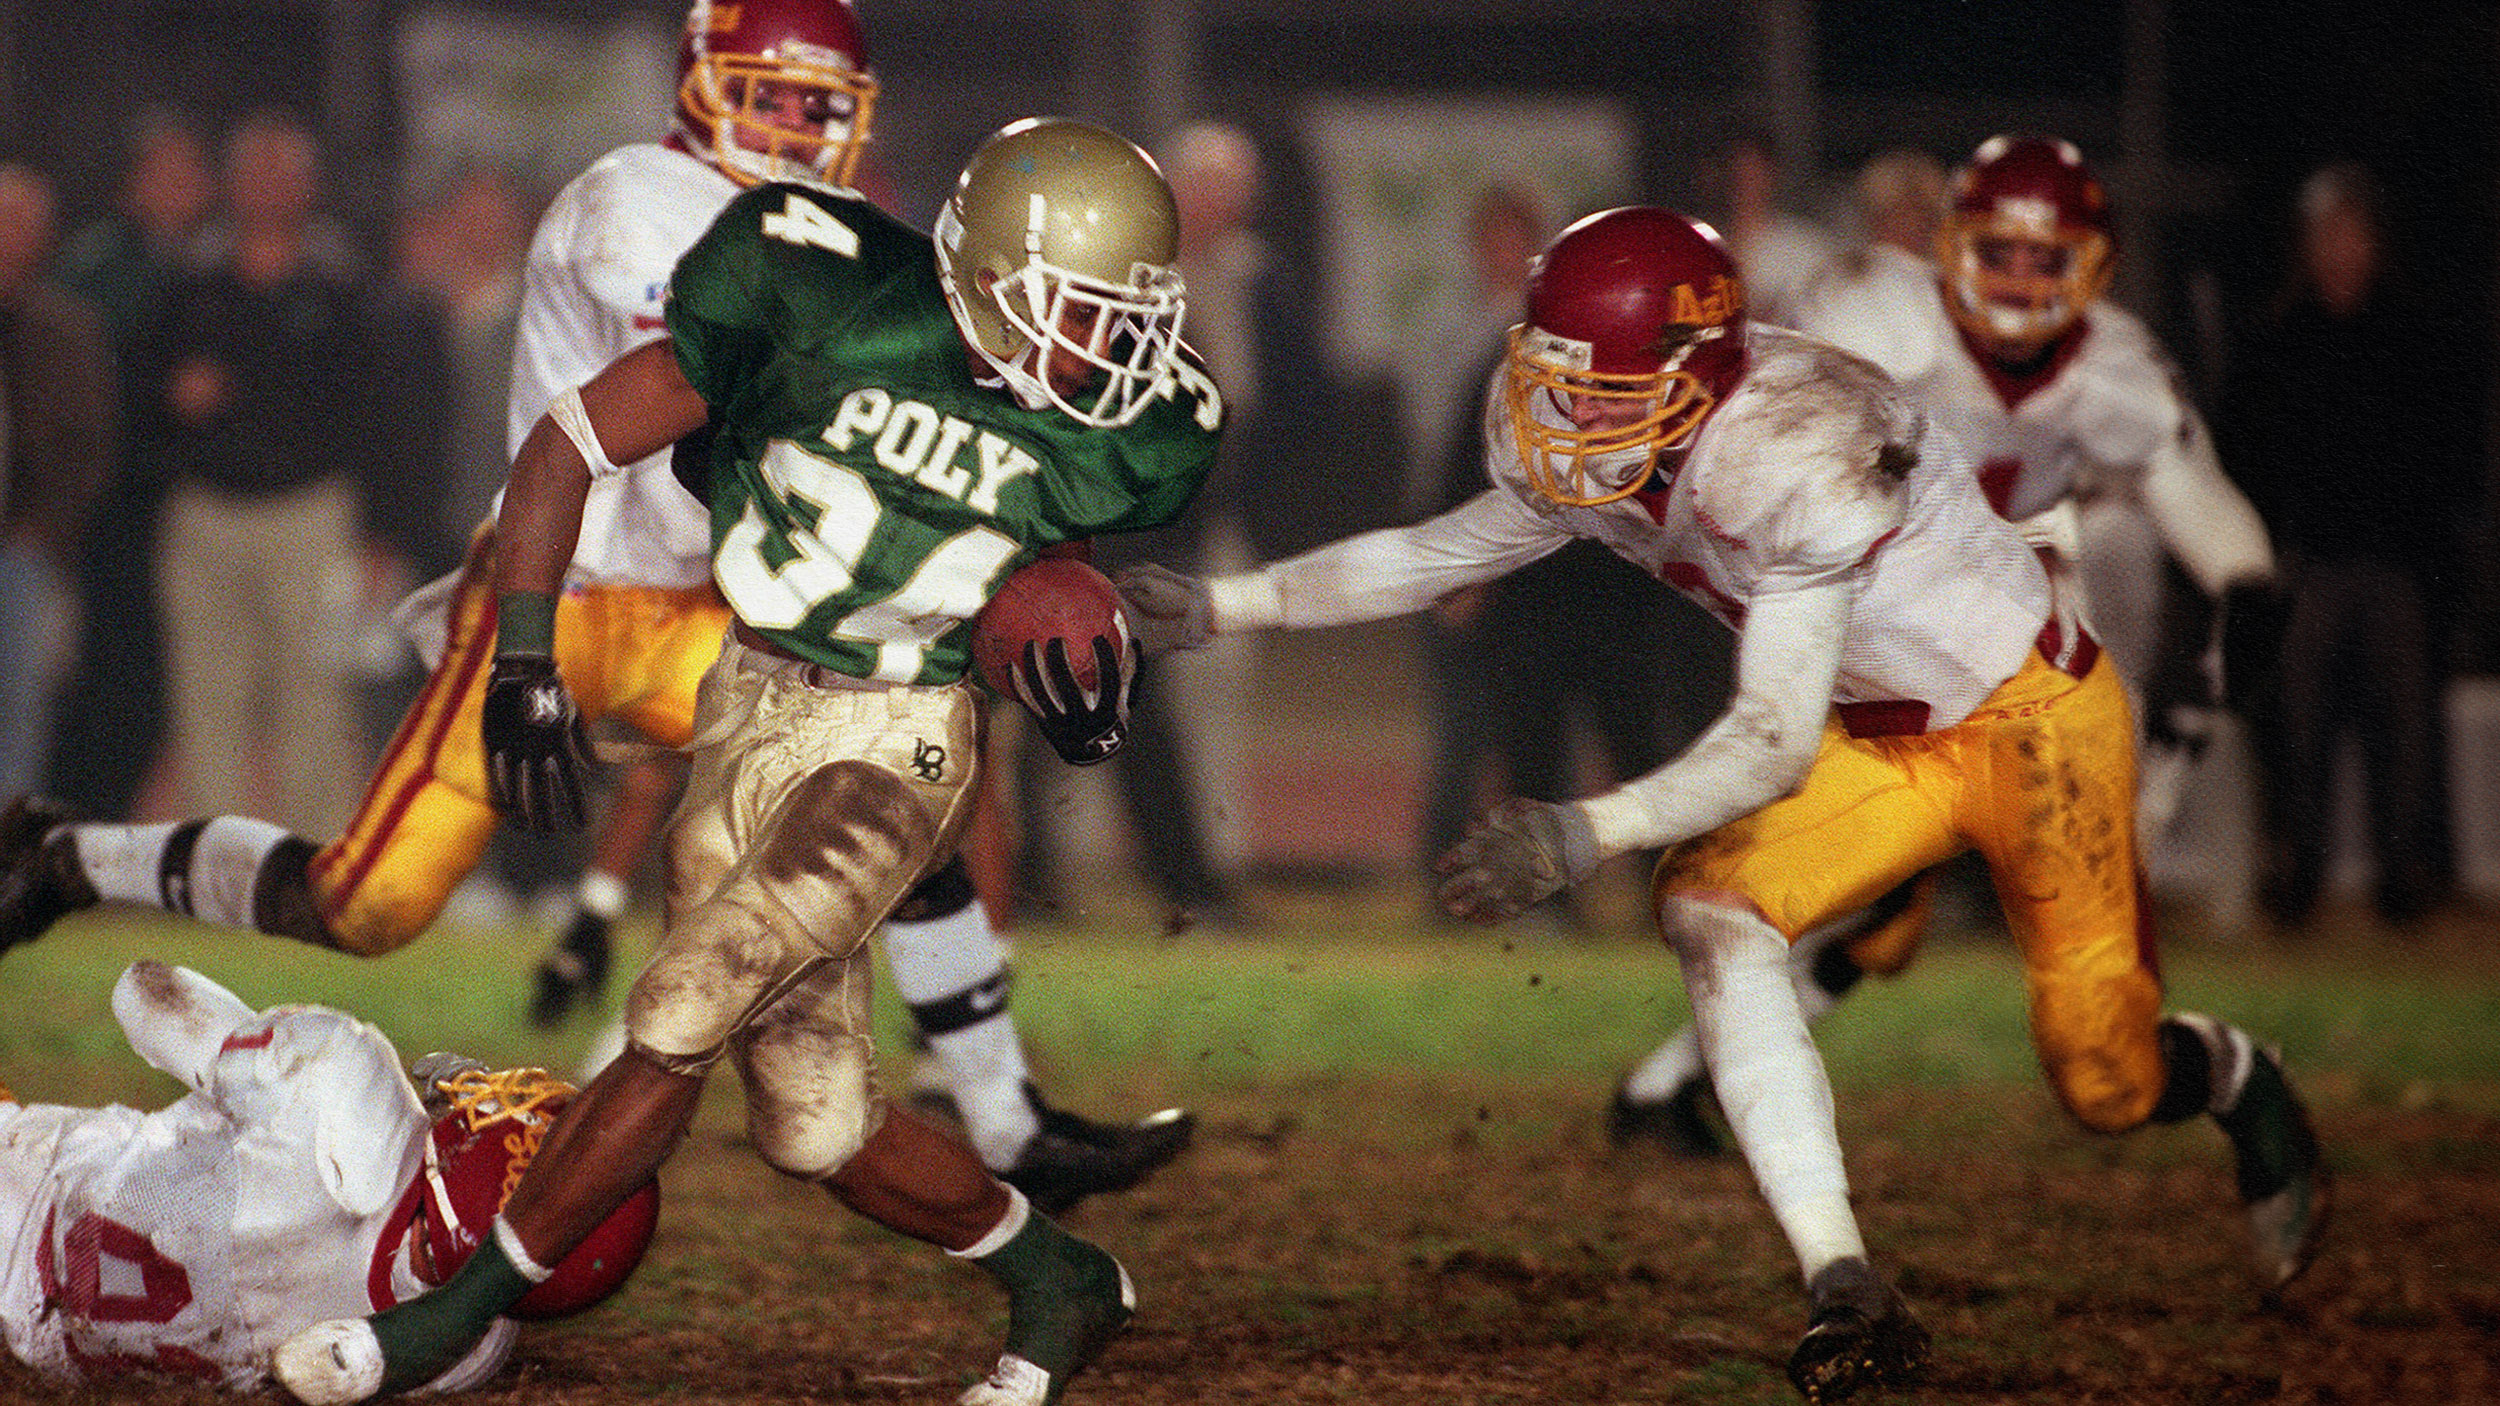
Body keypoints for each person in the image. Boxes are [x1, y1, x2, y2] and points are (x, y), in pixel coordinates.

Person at [0, 0, 1192, 1218]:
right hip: (559, 590)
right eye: (769, 96)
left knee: (896, 778)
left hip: (705, 611)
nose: (792, 127)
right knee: (369, 902)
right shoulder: (633, 200)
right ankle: (69, 855)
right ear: (703, 87)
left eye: (818, 106)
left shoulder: (841, 236)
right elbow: (705, 415)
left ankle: (1007, 1122)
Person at [1120, 206, 2326, 1404]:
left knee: (2103, 1080)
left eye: (1593, 391)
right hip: (1880, 737)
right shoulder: (1592, 421)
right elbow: (1440, 553)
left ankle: (2231, 1074)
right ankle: (1842, 1276)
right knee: (1708, 907)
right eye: (1549, 380)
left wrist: (1584, 827)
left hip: (2033, 723)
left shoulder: (1805, 445)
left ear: (1692, 379)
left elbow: (1764, 742)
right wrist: (1224, 606)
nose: (1557, 416)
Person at [267, 115, 1219, 1406]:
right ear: (988, 279)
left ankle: (443, 1321)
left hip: (899, 742)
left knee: (678, 1007)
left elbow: (1047, 567)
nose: (1115, 347)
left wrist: (1070, 659)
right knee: (816, 1125)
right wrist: (528, 661)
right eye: (1086, 308)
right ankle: (1061, 1277)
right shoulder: (814, 290)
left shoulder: (1124, 421)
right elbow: (566, 442)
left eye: (1130, 314)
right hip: (746, 703)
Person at [1612, 135, 2282, 1150]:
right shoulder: (1872, 312)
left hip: (2012, 662)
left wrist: (2246, 582)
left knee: (1934, 930)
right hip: (1867, 631)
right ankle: (1666, 1085)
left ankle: (1664, 1085)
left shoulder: (2115, 369)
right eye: (1997, 253)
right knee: (1860, 902)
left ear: (2087, 267)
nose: (2017, 280)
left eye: (2043, 257)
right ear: (1951, 246)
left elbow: (2204, 510)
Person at [0, 960, 656, 1391]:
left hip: (30, 1183)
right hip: (55, 1342)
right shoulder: (460, 1360)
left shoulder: (342, 1076)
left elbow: (142, 995)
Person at [2222, 161, 2465, 928]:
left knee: (2404, 734)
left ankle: (2406, 883)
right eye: (2327, 232)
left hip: (2395, 566)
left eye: (2353, 231)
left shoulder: (2415, 339)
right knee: (2298, 733)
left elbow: (2445, 458)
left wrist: (2435, 560)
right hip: (2308, 567)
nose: (2340, 247)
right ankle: (2298, 878)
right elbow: (2244, 455)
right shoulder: (2273, 340)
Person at [139, 108, 382, 838]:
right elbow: (139, 393)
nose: (269, 188)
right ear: (230, 185)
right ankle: (214, 873)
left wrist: (377, 532)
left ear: (309, 186)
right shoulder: (190, 280)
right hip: (206, 511)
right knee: (205, 697)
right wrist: (173, 396)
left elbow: (376, 410)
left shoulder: (342, 286)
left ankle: (314, 868)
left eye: (284, 173)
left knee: (315, 696)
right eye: (254, 172)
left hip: (311, 512)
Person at [45, 108, 211, 821]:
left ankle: (101, 828)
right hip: (108, 501)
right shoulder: (98, 262)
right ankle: (69, 824)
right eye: (163, 174)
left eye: (189, 175)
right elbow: (87, 381)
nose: (179, 189)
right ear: (130, 182)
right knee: (105, 671)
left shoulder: (202, 258)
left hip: (175, 498)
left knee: (152, 677)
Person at [0, 162, 116, 798]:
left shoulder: (69, 331)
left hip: (26, 554)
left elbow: (93, 447)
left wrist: (46, 532)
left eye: (24, 222)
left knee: (22, 709)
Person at [1711, 125, 1839, 328]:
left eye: (1754, 172)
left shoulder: (1807, 245)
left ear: (1772, 175)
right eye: (1738, 172)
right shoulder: (1707, 244)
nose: (1745, 183)